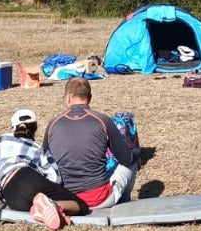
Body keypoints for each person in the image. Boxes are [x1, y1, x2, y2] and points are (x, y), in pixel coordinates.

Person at [43, 77, 137, 211]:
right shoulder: (103, 120)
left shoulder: (53, 124)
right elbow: (126, 158)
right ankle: (123, 204)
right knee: (132, 162)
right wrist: (137, 154)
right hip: (99, 199)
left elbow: (44, 162)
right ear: (90, 97)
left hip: (66, 198)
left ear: (68, 97)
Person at [0, 108, 88, 230]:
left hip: (11, 197)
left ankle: (41, 208)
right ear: (35, 128)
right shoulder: (39, 150)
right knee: (82, 205)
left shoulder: (2, 140)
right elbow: (54, 177)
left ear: (13, 127)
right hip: (27, 178)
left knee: (32, 201)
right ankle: (53, 205)